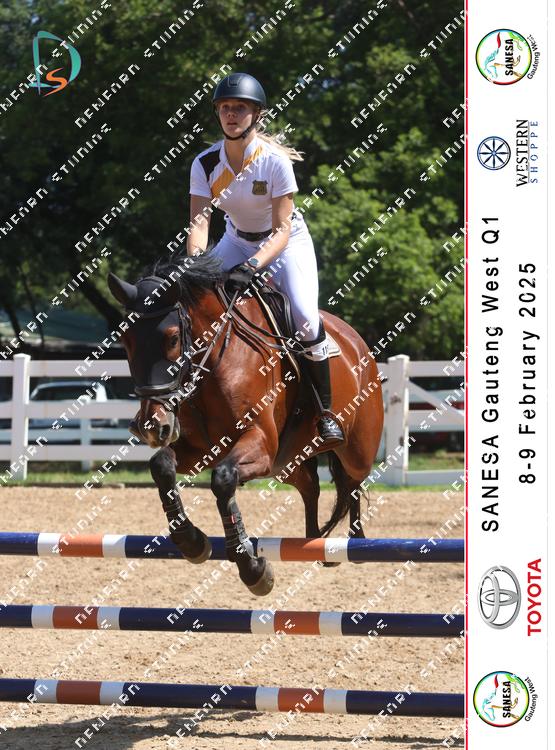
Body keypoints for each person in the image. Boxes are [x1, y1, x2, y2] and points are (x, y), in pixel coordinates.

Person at [187, 72, 344, 445]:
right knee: (191, 301)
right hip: (234, 240)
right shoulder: (205, 163)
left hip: (285, 244)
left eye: (240, 108)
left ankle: (325, 414)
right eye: (225, 107)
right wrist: (195, 265)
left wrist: (253, 266)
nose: (231, 114)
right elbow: (199, 224)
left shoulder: (274, 162)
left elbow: (282, 231)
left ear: (256, 114)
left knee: (304, 317)